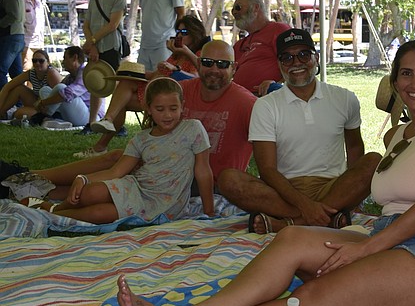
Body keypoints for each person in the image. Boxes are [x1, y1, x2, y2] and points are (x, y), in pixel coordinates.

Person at [115, 39, 415, 306]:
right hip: (388, 235)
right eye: (407, 73)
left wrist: (364, 247)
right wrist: (365, 240)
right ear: (396, 81)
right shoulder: (398, 135)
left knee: (315, 296)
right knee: (290, 237)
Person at [4, 41, 255, 201]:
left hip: (199, 184)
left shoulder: (246, 103)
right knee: (118, 160)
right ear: (198, 64)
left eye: (222, 64)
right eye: (208, 62)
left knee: (114, 177)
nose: (214, 69)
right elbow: (150, 105)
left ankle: (22, 180)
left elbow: (272, 146)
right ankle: (24, 184)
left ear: (234, 68)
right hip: (163, 168)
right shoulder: (183, 89)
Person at [218, 29, 381, 232]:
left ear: (316, 58)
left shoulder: (344, 98)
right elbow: (267, 170)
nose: (296, 63)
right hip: (283, 191)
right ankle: (327, 217)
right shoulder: (266, 106)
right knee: (228, 179)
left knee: (374, 160)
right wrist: (306, 205)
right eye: (287, 58)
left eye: (304, 55)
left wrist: (352, 194)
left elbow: (355, 147)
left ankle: (290, 223)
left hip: (332, 186)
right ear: (279, 65)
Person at [34, 77, 214, 224]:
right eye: (160, 109)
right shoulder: (141, 139)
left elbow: (203, 171)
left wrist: (209, 212)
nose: (167, 115)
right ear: (149, 109)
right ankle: (55, 208)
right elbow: (116, 171)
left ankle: (54, 214)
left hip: (166, 203)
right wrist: (83, 178)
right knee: (90, 192)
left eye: (173, 108)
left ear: (182, 106)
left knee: (98, 214)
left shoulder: (193, 129)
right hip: (136, 188)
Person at [76, 15, 209, 158]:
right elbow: (156, 75)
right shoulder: (176, 55)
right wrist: (135, 72)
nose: (179, 35)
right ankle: (106, 127)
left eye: (184, 32)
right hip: (157, 90)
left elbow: (199, 76)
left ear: (195, 33)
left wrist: (178, 63)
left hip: (173, 98)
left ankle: (101, 142)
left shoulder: (199, 53)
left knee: (123, 99)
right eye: (177, 31)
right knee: (126, 84)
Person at [80, 0, 127, 134]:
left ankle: (116, 124)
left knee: (115, 85)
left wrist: (91, 41)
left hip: (111, 46)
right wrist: (92, 45)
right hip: (95, 47)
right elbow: (86, 25)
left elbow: (113, 25)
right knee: (96, 84)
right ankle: (92, 123)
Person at [230, 0, 290, 95]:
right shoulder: (239, 44)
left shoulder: (278, 30)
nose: (234, 12)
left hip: (267, 96)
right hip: (239, 97)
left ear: (255, 8)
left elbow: (293, 62)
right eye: (233, 10)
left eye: (238, 8)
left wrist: (278, 83)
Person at [33, 46, 102, 127]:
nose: (63, 62)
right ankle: (52, 117)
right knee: (44, 90)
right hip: (75, 113)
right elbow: (56, 94)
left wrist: (42, 103)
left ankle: (43, 116)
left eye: (65, 58)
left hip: (91, 116)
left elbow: (67, 94)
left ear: (74, 58)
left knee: (61, 88)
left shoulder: (85, 73)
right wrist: (45, 103)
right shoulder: (69, 77)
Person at [0, 48, 62, 119]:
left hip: (51, 107)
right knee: (19, 89)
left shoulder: (52, 73)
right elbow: (7, 87)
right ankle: (2, 113)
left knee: (19, 114)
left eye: (41, 61)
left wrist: (43, 104)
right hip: (38, 103)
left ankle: (47, 118)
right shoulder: (31, 73)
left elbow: (61, 96)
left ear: (48, 62)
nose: (37, 63)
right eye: (34, 61)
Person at [0, 0, 25, 89]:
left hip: (11, 37)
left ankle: (3, 99)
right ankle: (19, 101)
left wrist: (1, 24)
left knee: (0, 70)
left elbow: (14, 16)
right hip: (17, 36)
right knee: (16, 73)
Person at [21, 0, 45, 70]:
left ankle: (32, 85)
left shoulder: (39, 4)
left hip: (39, 41)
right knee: (27, 67)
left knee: (37, 69)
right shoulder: (22, 2)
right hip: (27, 42)